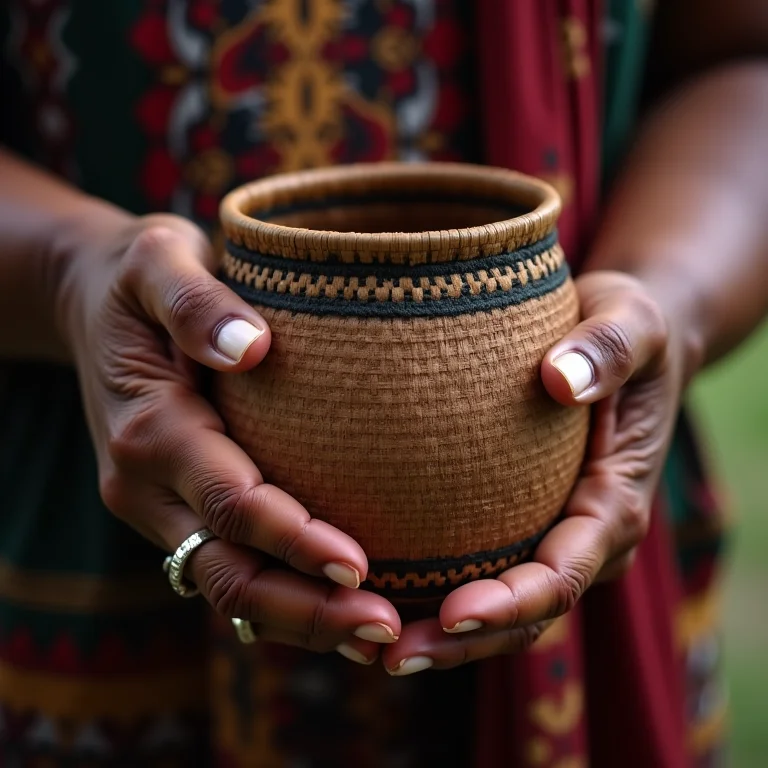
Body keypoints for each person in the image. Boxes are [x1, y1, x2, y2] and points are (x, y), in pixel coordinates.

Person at [0, 1, 766, 765]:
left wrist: (673, 296)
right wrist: (65, 271)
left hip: (591, 508)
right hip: (88, 542)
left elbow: (743, 56)